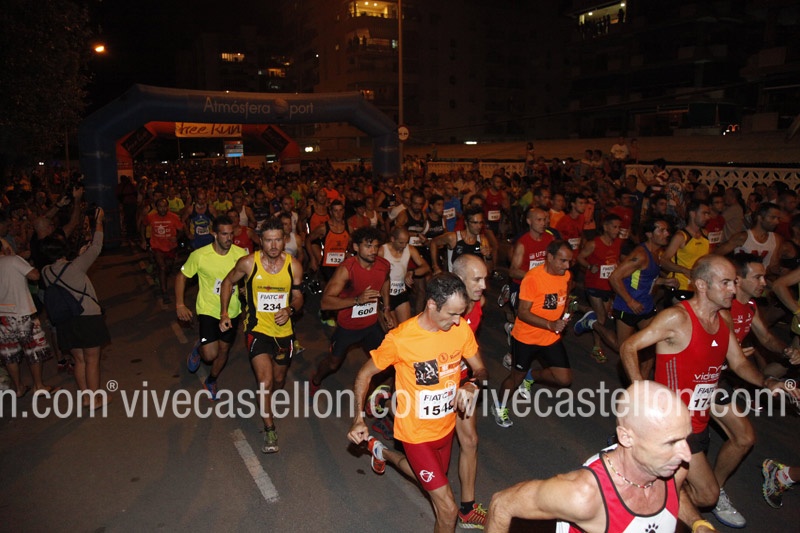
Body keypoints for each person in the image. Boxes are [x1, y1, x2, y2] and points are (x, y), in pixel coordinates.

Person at [620, 254, 799, 530]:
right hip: (672, 423)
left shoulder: (723, 319)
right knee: (706, 495)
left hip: (700, 417)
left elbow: (739, 363)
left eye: (734, 282)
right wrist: (640, 391)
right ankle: (641, 504)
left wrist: (768, 382)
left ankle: (646, 499)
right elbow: (629, 346)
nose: (733, 289)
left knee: (700, 491)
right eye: (726, 282)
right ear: (702, 285)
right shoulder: (677, 318)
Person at [347, 273, 482, 533]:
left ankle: (381, 451)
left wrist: (472, 384)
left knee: (426, 481)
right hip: (414, 435)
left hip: (445, 431)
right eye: (452, 314)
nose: (458, 321)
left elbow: (481, 370)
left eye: (460, 314)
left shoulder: (459, 328)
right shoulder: (401, 339)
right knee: (448, 508)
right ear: (431, 305)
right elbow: (364, 374)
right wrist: (358, 418)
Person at [485, 382, 697, 533]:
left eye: (686, 438)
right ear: (626, 437)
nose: (687, 454)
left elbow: (675, 493)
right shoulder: (584, 495)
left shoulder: (674, 467)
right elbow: (502, 505)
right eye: (671, 443)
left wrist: (697, 523)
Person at [219, 217, 304, 454]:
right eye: (268, 241)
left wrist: (290, 310)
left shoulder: (294, 266)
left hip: (284, 331)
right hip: (257, 329)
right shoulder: (248, 263)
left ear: (284, 240)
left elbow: (298, 297)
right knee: (265, 381)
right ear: (260, 241)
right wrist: (224, 312)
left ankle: (267, 401)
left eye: (278, 240)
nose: (273, 245)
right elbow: (227, 282)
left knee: (278, 379)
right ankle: (270, 429)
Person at [491, 240, 573, 428]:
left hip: (550, 337)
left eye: (569, 261)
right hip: (526, 338)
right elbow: (523, 312)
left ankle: (532, 376)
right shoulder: (533, 278)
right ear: (549, 257)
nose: (567, 266)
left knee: (564, 379)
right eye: (563, 261)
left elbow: (564, 297)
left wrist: (565, 313)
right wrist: (550, 323)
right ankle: (499, 406)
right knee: (515, 378)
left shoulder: (566, 275)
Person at [41, 208, 110, 408]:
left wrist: (78, 257)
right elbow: (96, 246)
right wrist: (99, 222)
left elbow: (63, 271)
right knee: (92, 359)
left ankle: (86, 398)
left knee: (79, 360)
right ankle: (95, 399)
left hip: (65, 320)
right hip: (87, 317)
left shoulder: (45, 271)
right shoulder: (76, 266)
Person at [309, 226, 392, 392]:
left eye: (376, 246)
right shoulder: (346, 269)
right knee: (333, 364)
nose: (373, 251)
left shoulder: (384, 265)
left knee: (386, 362)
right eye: (368, 246)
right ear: (356, 247)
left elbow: (385, 281)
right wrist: (357, 300)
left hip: (371, 325)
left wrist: (387, 308)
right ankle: (315, 380)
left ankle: (371, 396)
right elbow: (325, 302)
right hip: (348, 327)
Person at [175, 215, 248, 400]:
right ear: (214, 234)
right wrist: (180, 304)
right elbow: (182, 276)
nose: (229, 238)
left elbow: (249, 278)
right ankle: (199, 349)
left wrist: (245, 290)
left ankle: (212, 380)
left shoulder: (241, 254)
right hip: (208, 310)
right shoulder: (200, 255)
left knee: (223, 350)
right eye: (224, 234)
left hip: (232, 311)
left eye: (231, 234)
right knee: (209, 355)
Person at [450, 254, 491, 528]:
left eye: (485, 279)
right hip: (436, 384)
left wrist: (472, 378)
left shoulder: (479, 302)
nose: (483, 286)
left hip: (463, 381)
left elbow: (472, 344)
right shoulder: (441, 309)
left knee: (470, 441)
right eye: (477, 279)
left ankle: (467, 508)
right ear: (459, 279)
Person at [0, 242, 58, 397]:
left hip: (2, 316)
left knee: (10, 354)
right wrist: (19, 258)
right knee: (33, 350)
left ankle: (18, 387)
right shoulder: (13, 260)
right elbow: (34, 275)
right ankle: (38, 385)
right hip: (22, 312)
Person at [574, 214, 622, 363]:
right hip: (593, 284)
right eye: (614, 227)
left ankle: (576, 306)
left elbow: (616, 259)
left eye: (619, 227)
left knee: (603, 316)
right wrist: (589, 266)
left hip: (608, 286)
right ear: (605, 227)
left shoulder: (617, 243)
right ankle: (597, 347)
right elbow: (579, 257)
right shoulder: (594, 243)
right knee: (600, 316)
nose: (617, 230)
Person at [659, 199, 711, 302]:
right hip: (681, 287)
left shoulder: (705, 235)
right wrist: (684, 270)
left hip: (698, 288)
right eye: (704, 213)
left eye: (708, 214)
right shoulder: (681, 236)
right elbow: (663, 260)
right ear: (693, 214)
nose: (708, 217)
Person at [378, 226, 430, 325]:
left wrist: (412, 272)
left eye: (406, 242)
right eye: (401, 243)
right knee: (393, 328)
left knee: (406, 326)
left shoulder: (410, 249)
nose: (404, 246)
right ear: (392, 239)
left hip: (401, 292)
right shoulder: (382, 251)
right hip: (386, 295)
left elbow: (426, 267)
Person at [144, 197, 184, 303]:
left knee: (168, 268)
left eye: (165, 206)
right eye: (160, 207)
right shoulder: (151, 217)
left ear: (168, 207)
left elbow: (181, 230)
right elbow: (143, 225)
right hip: (157, 246)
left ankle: (160, 276)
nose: (163, 209)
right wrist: (143, 240)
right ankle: (164, 292)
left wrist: (177, 237)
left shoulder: (174, 217)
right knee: (162, 267)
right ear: (156, 207)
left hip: (171, 247)